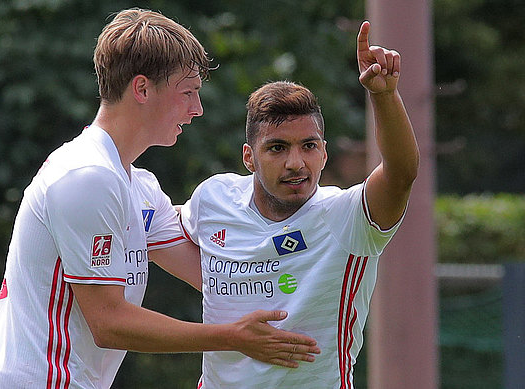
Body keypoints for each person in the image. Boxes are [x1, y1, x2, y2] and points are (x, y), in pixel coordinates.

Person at [0, 8, 320, 388]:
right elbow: (109, 323)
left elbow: (219, 276)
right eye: (187, 92)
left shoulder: (139, 187)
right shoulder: (86, 177)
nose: (197, 109)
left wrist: (322, 257)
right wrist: (231, 337)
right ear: (142, 89)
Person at [179, 21, 420, 388]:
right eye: (277, 148)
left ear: (323, 153)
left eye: (308, 146)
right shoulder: (213, 199)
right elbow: (152, 231)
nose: (295, 163)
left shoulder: (345, 216)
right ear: (249, 157)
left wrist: (383, 96)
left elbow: (401, 173)